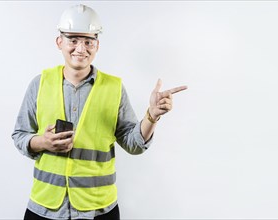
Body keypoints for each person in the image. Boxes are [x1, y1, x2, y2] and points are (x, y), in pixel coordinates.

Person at [12, 4, 187, 220]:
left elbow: (133, 144)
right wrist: (42, 142)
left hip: (98, 209)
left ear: (97, 44)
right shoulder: (39, 84)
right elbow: (19, 135)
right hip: (44, 208)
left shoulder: (114, 88)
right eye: (73, 40)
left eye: (88, 41)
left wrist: (152, 116)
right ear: (60, 42)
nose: (80, 48)